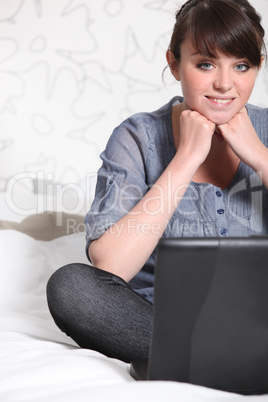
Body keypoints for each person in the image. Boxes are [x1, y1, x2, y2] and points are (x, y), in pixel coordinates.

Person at [47, 0, 268, 368]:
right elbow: (110, 266)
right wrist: (184, 161)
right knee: (71, 288)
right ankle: (228, 363)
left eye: (242, 66)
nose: (226, 84)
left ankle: (188, 363)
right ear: (174, 64)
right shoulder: (137, 137)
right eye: (206, 64)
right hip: (163, 320)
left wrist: (260, 157)